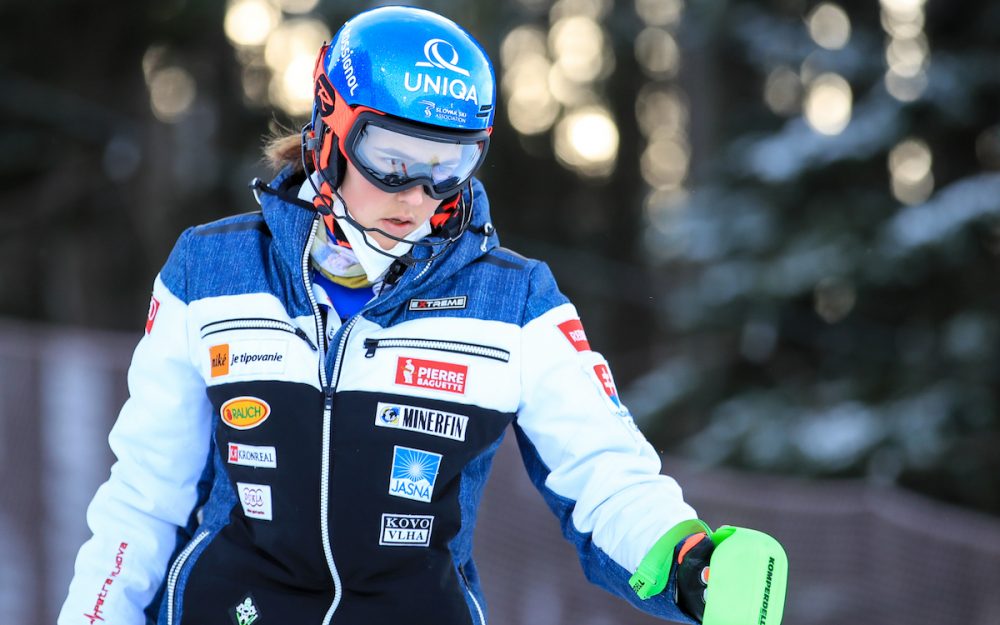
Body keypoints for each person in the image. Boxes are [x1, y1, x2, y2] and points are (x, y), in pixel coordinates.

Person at [59, 6, 785, 625]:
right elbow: (146, 495)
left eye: (449, 164)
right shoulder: (211, 271)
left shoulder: (513, 302)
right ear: (331, 124)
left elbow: (605, 472)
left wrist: (691, 557)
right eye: (393, 156)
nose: (418, 193)